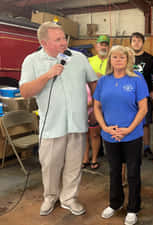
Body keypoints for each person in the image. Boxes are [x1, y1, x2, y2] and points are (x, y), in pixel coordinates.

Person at [19, 22, 98, 216]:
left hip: (77, 122)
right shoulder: (32, 61)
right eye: (58, 39)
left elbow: (93, 82)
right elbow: (25, 91)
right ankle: (50, 197)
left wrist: (97, 108)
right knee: (50, 165)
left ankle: (69, 198)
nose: (64, 42)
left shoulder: (78, 58)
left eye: (64, 38)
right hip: (51, 125)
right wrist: (47, 75)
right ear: (44, 42)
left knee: (73, 164)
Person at [93, 45, 148, 225]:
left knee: (132, 172)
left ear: (128, 60)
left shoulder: (137, 79)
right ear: (110, 59)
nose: (118, 60)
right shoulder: (103, 81)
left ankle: (133, 208)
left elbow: (143, 108)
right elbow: (97, 107)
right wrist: (105, 127)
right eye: (114, 57)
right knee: (114, 171)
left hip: (131, 135)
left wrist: (129, 129)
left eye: (121, 57)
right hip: (110, 135)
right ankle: (115, 203)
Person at [82, 35, 110, 169]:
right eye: (101, 44)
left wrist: (102, 77)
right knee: (85, 132)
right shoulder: (88, 61)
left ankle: (98, 157)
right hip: (87, 101)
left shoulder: (112, 61)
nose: (103, 47)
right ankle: (86, 158)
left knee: (97, 131)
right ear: (96, 46)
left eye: (106, 44)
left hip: (105, 102)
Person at [130, 32, 153, 160]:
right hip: (129, 96)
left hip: (144, 96)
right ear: (130, 43)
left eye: (139, 40)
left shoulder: (150, 59)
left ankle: (146, 148)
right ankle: (133, 148)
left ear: (143, 43)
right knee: (130, 122)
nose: (136, 43)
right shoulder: (126, 58)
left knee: (145, 123)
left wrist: (152, 91)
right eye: (134, 40)